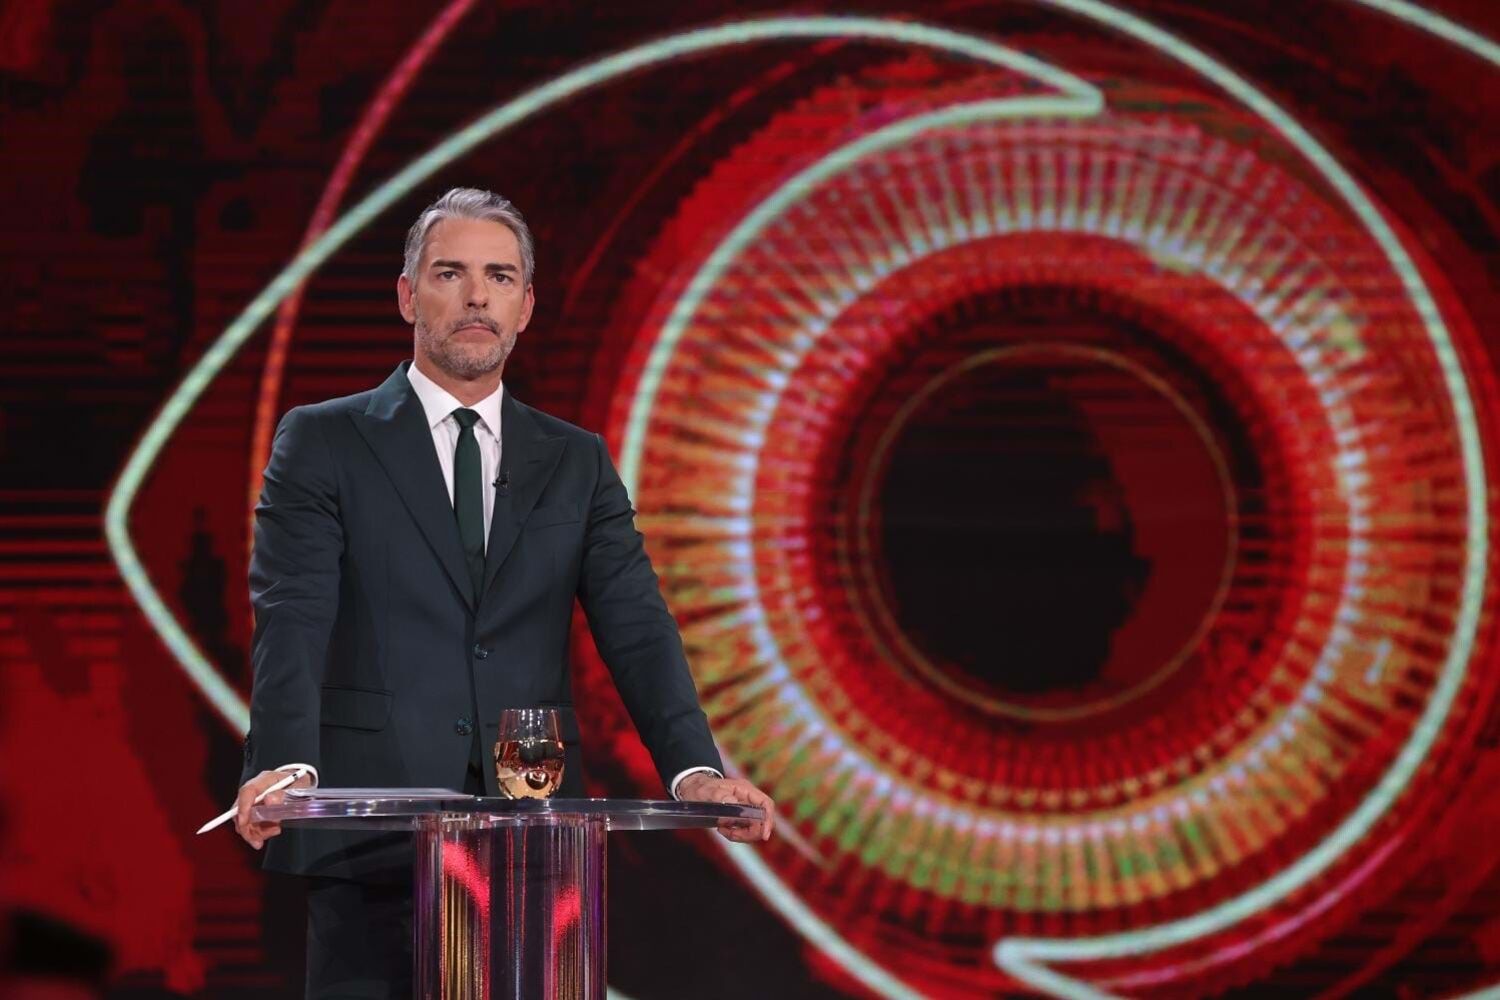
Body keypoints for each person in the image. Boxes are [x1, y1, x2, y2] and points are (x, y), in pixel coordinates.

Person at [232, 187, 775, 997]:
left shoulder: (576, 461)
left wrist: (693, 770)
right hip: (374, 838)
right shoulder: (325, 441)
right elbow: (293, 612)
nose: (477, 296)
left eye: (500, 276)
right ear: (408, 296)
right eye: (450, 273)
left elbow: (636, 625)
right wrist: (284, 763)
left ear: (526, 307)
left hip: (535, 836)